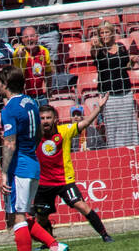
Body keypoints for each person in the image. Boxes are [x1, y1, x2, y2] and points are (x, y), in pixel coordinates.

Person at [0, 66, 67, 251]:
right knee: (22, 216)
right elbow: (39, 134)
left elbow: (9, 143)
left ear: (6, 84)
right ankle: (56, 246)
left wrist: (3, 172)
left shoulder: (9, 109)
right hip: (33, 164)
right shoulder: (31, 102)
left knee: (18, 218)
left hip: (20, 168)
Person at [35, 97, 114, 243]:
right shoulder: (34, 136)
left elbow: (85, 123)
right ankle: (50, 242)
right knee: (41, 216)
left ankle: (105, 235)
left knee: (81, 205)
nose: (45, 121)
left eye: (48, 118)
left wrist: (99, 108)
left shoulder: (64, 131)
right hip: (43, 183)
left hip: (64, 181)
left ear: (55, 119)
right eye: (42, 118)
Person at [89, 21, 139, 149]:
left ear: (112, 33)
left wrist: (133, 62)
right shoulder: (99, 51)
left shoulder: (121, 47)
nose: (104, 35)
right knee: (113, 126)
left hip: (125, 91)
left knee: (128, 123)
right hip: (109, 95)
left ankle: (132, 149)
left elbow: (126, 66)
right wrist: (95, 44)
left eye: (107, 32)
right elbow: (94, 53)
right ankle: (115, 151)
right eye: (102, 33)